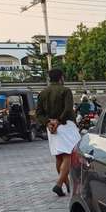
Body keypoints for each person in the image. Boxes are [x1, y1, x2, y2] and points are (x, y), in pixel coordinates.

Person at [35, 69, 80, 197]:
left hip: (51, 129)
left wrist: (48, 123)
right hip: (65, 125)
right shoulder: (65, 91)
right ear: (61, 78)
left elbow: (38, 114)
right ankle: (59, 184)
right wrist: (59, 121)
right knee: (69, 155)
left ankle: (67, 186)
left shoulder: (43, 93)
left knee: (59, 157)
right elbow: (67, 109)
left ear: (49, 78)